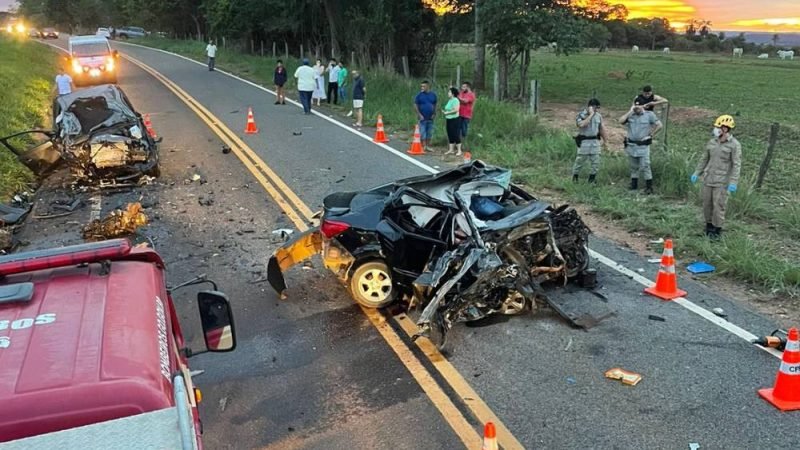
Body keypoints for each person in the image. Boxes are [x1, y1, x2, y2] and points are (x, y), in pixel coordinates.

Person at [691, 115, 742, 239]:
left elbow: (736, 164)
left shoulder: (734, 145)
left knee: (718, 206)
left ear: (725, 129)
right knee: (706, 204)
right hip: (708, 179)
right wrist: (697, 172)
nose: (715, 129)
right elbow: (704, 158)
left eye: (718, 127)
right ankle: (708, 227)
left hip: (722, 182)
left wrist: (733, 182)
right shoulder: (712, 142)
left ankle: (717, 230)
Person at [619, 101, 662, 194]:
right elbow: (621, 121)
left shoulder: (649, 115)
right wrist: (630, 111)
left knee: (645, 166)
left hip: (643, 145)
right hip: (631, 145)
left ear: (643, 106)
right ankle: (634, 185)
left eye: (638, 107)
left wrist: (652, 135)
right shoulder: (631, 115)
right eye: (635, 107)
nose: (637, 109)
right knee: (633, 166)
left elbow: (659, 125)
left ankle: (649, 187)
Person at [572, 98, 607, 183]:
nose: (596, 110)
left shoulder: (598, 116)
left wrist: (605, 140)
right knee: (580, 161)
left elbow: (601, 128)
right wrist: (591, 115)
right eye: (595, 107)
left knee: (596, 162)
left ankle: (592, 179)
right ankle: (575, 176)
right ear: (590, 107)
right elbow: (582, 125)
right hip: (584, 141)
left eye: (597, 108)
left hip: (595, 141)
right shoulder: (581, 115)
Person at [414, 81, 437, 151]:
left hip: (430, 117)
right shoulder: (419, 95)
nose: (422, 88)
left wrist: (434, 113)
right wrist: (419, 114)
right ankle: (423, 145)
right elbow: (415, 105)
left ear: (428, 86)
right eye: (421, 86)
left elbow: (435, 104)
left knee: (429, 132)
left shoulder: (433, 95)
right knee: (423, 132)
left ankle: (427, 146)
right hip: (422, 117)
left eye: (424, 86)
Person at [442, 87, 462, 156]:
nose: (448, 93)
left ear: (453, 94)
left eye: (449, 92)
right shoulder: (450, 100)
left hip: (455, 119)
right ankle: (451, 149)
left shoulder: (456, 100)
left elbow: (456, 110)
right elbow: (449, 108)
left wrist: (447, 113)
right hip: (448, 119)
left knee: (455, 134)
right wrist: (445, 112)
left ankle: (459, 150)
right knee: (450, 133)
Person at [457, 82, 475, 150]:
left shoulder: (471, 95)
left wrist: (458, 98)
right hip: (459, 114)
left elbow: (465, 101)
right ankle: (459, 145)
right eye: (462, 87)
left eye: (464, 87)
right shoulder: (461, 93)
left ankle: (464, 144)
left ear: (468, 87)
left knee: (464, 130)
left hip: (466, 115)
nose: (462, 88)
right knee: (458, 129)